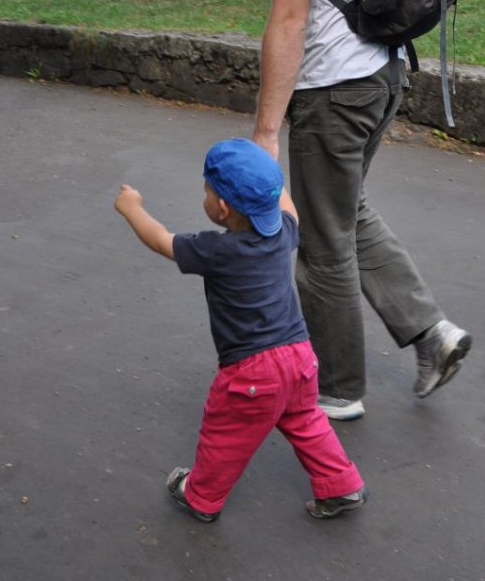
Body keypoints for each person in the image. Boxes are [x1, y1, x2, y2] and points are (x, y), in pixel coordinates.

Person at [198, 0, 472, 422]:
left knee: (321, 245)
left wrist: (265, 134)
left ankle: (338, 391)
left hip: (334, 88)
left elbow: (289, 20)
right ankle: (432, 331)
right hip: (384, 72)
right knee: (345, 214)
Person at [114, 137, 367, 522]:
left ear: (221, 208)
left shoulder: (217, 250)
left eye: (206, 191)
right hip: (299, 357)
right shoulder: (283, 231)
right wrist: (269, 174)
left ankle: (200, 497)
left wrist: (132, 209)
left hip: (252, 370)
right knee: (306, 422)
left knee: (224, 434)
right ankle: (341, 485)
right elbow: (289, 207)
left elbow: (162, 241)